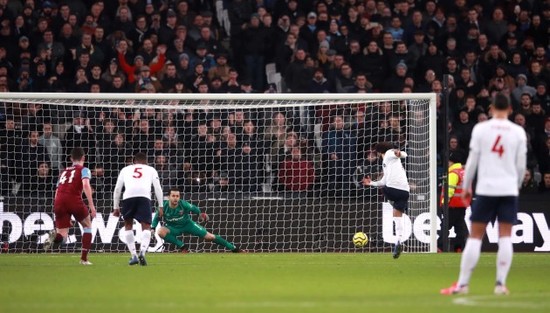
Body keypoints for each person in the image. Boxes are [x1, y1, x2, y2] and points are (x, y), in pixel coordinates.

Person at [441, 93, 527, 296]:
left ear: (491, 109)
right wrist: (516, 185)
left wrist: (467, 185)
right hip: (508, 189)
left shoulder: (481, 129)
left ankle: (462, 284)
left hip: (487, 188)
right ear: (510, 110)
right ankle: (500, 284)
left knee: (475, 237)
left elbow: (472, 161)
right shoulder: (518, 132)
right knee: (505, 237)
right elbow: (521, 165)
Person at [44, 147, 96, 265]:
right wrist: (91, 205)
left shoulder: (64, 172)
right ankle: (84, 259)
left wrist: (56, 206)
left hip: (59, 201)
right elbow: (86, 186)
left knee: (62, 237)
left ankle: (55, 236)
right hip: (73, 199)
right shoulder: (84, 170)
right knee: (87, 225)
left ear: (71, 158)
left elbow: (57, 190)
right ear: (83, 158)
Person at [152, 188, 243, 253]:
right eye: (173, 196)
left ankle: (233, 248)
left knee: (210, 237)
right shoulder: (163, 207)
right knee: (160, 231)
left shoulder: (183, 204)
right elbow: (156, 219)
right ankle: (182, 246)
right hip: (173, 228)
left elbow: (195, 209)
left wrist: (200, 215)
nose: (176, 198)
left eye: (177, 196)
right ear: (168, 197)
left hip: (188, 225)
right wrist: (152, 228)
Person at [113, 152, 164, 266]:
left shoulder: (125, 169)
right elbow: (157, 188)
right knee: (146, 226)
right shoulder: (151, 170)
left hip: (128, 197)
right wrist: (161, 205)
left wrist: (115, 207)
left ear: (134, 162)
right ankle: (142, 252)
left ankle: (133, 256)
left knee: (128, 225)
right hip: (144, 197)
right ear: (146, 162)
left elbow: (117, 189)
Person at [362, 142, 410, 259]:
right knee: (397, 215)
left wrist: (399, 153)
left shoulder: (388, 154)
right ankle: (398, 241)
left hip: (392, 190)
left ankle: (390, 201)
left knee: (384, 190)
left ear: (379, 152)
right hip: (405, 192)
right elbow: (383, 181)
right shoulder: (389, 164)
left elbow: (404, 154)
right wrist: (371, 183)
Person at [441, 152, 471, 252]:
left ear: (452, 162)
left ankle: (440, 247)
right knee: (459, 228)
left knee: (445, 227)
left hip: (452, 205)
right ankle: (459, 247)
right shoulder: (464, 173)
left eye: (449, 161)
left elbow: (449, 190)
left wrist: (444, 202)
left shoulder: (453, 173)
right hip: (462, 204)